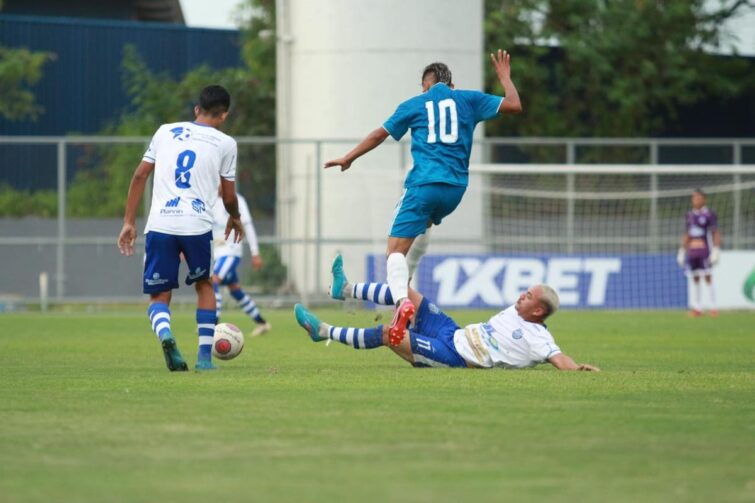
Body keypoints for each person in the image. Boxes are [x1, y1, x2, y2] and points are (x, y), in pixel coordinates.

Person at [324, 50, 522, 347]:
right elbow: (514, 105)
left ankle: (402, 301)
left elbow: (380, 134)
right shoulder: (468, 99)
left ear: (425, 86)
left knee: (394, 253)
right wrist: (505, 78)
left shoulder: (415, 104)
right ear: (451, 85)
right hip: (455, 190)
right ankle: (394, 295)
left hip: (424, 185)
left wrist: (348, 157)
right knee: (423, 232)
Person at [117, 85, 243, 372]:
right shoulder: (226, 143)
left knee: (159, 296)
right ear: (223, 115)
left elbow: (139, 176)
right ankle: (204, 359)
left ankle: (165, 334)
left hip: (160, 223)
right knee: (204, 285)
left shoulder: (164, 131)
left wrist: (128, 221)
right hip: (196, 224)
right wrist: (234, 217)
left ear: (196, 109)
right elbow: (228, 196)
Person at [294, 255, 600, 371]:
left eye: (529, 295)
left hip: (454, 356)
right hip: (452, 331)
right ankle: (345, 290)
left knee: (390, 334)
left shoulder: (537, 336)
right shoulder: (518, 311)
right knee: (405, 293)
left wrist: (577, 369)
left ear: (537, 310)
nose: (522, 295)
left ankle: (323, 332)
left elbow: (559, 359)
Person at [211, 189, 271, 336]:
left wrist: (255, 252)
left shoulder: (237, 200)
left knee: (214, 281)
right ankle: (261, 323)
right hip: (217, 254)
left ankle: (212, 325)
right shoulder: (210, 199)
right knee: (235, 289)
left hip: (231, 252)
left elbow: (248, 226)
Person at [677, 189, 721, 317]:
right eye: (693, 198)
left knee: (707, 276)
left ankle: (713, 307)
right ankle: (697, 308)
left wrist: (716, 249)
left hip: (705, 250)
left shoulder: (709, 214)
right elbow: (687, 234)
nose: (695, 200)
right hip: (692, 250)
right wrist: (682, 250)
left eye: (698, 198)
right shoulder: (689, 215)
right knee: (695, 277)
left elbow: (715, 232)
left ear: (703, 199)